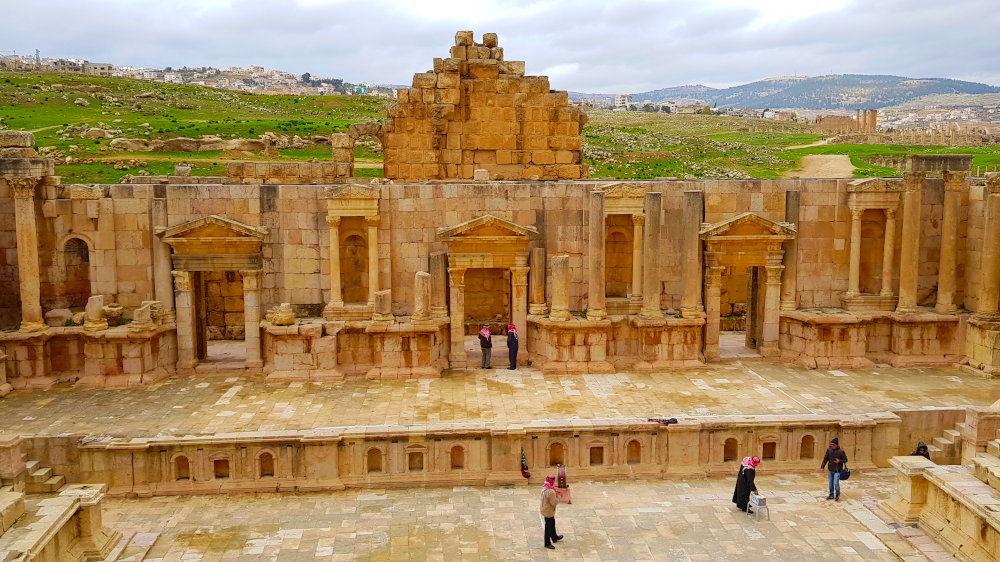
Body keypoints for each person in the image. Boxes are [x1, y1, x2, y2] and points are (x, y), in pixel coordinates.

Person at [540, 475, 563, 549]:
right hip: (548, 511)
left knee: (552, 522)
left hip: (545, 508)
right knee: (548, 526)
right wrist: (559, 497)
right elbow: (554, 503)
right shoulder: (551, 492)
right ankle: (547, 543)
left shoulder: (545, 487)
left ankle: (554, 537)